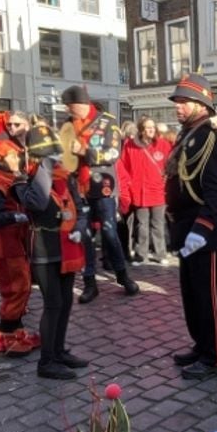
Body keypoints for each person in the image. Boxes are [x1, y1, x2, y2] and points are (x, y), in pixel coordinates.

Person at [164, 74, 217, 379]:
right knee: (192, 296)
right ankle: (201, 345)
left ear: (202, 104)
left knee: (209, 299)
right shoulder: (189, 134)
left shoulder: (211, 137)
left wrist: (201, 229)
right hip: (186, 228)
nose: (178, 106)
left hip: (206, 233)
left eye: (184, 101)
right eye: (177, 101)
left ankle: (215, 356)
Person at [21, 124, 90, 379]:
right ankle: (46, 361)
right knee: (53, 304)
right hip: (44, 249)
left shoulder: (65, 176)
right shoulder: (24, 178)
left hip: (67, 247)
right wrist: (45, 167)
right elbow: (38, 202)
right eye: (48, 154)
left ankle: (59, 351)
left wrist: (79, 229)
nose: (55, 158)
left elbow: (80, 207)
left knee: (66, 301)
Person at [59, 87, 138, 302]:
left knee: (110, 232)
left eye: (70, 106)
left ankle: (122, 275)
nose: (68, 110)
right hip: (79, 188)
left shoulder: (107, 122)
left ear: (81, 104)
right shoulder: (68, 125)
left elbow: (113, 153)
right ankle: (90, 283)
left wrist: (85, 151)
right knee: (85, 236)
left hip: (103, 186)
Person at [0, 139, 38, 355]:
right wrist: (19, 216)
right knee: (16, 289)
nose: (17, 159)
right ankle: (2, 336)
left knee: (22, 287)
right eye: (12, 156)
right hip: (4, 246)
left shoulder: (7, 180)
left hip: (13, 243)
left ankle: (16, 332)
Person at [119, 116, 172, 265]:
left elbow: (171, 163)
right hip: (139, 191)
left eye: (153, 127)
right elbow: (124, 167)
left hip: (158, 190)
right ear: (141, 130)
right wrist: (128, 186)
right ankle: (141, 254)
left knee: (158, 224)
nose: (151, 130)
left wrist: (167, 179)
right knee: (141, 224)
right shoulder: (130, 145)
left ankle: (160, 253)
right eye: (148, 127)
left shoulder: (162, 144)